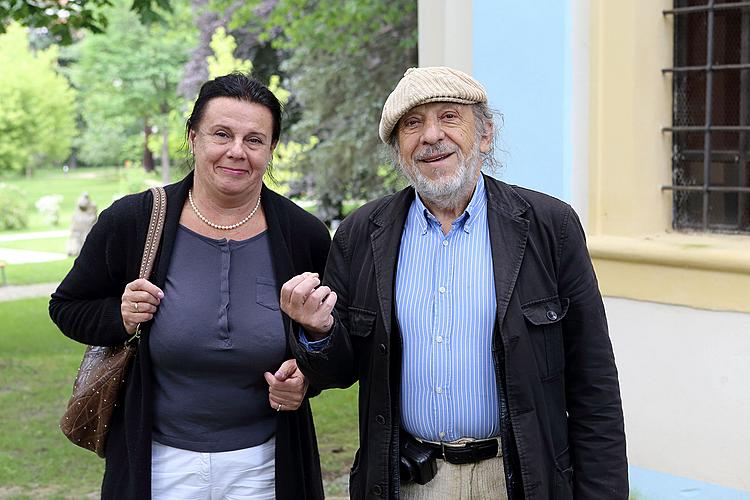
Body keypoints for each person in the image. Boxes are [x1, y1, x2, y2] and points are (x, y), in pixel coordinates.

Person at [280, 67, 628, 499]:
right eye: (412, 124)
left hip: (519, 480)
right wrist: (318, 332)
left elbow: (593, 380)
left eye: (448, 117)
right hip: (408, 483)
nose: (430, 136)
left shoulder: (548, 226)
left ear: (484, 134)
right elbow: (340, 372)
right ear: (399, 150)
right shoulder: (360, 234)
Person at [49, 73, 330, 500]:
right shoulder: (134, 221)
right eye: (222, 134)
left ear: (272, 149)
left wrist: (308, 370)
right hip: (158, 465)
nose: (237, 151)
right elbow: (67, 306)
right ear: (193, 136)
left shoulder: (302, 234)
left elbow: (339, 342)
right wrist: (118, 316)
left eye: (255, 140)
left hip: (267, 466)